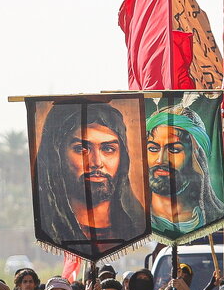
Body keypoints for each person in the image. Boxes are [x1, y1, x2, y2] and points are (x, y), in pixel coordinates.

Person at [34, 101, 147, 257]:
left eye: (108, 149)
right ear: (57, 155)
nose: (97, 163)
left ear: (122, 157)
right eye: (81, 149)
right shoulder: (50, 230)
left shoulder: (136, 227)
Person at [145, 104, 224, 237]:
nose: (160, 160)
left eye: (174, 149)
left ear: (197, 158)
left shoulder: (213, 218)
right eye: (153, 149)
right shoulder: (134, 220)